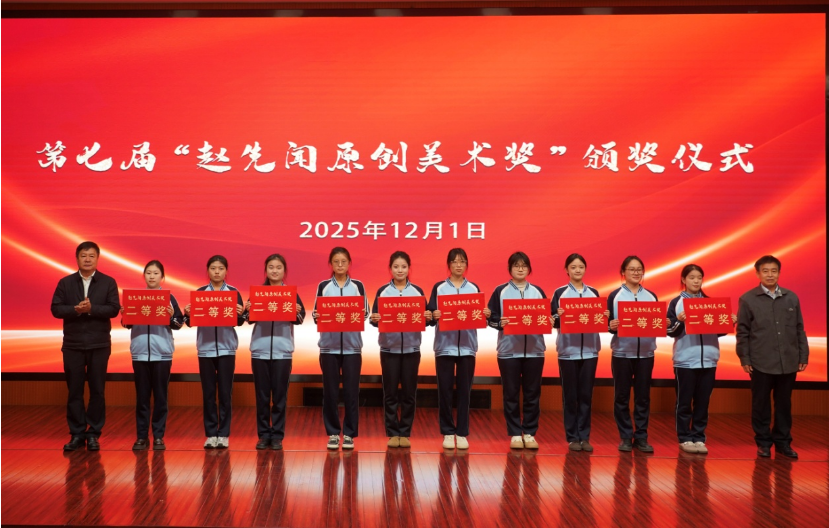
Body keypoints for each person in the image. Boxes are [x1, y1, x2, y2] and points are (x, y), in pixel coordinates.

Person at [736, 255, 808, 459]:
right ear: (757, 273)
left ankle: (783, 443)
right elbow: (742, 332)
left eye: (774, 271)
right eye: (765, 271)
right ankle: (763, 443)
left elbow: (799, 328)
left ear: (779, 273)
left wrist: (803, 355)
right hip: (760, 361)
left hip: (788, 360)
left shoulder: (791, 297)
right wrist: (745, 358)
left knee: (784, 404)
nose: (770, 275)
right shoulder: (748, 299)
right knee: (761, 405)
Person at [51, 241, 120, 451]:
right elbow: (56, 309)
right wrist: (76, 309)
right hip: (73, 344)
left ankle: (93, 434)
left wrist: (91, 309)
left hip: (99, 344)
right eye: (83, 255)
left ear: (97, 259)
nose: (87, 259)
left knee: (97, 390)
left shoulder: (108, 282)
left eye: (91, 256)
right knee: (75, 390)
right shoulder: (65, 282)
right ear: (77, 258)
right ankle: (77, 433)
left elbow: (114, 309)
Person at [666, 264, 736, 454]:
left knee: (703, 402)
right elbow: (669, 331)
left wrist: (729, 322)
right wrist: (680, 321)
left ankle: (699, 437)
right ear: (683, 280)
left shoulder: (710, 303)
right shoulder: (676, 303)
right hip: (685, 361)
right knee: (684, 402)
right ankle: (684, 438)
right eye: (692, 277)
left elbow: (718, 331)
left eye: (699, 278)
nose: (696, 281)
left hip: (709, 360)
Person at [427, 248, 491, 450]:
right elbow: (430, 316)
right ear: (448, 265)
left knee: (465, 392)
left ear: (466, 265)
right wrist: (434, 315)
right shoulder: (439, 288)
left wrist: (485, 314)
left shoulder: (473, 288)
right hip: (444, 347)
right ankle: (447, 431)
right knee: (445, 391)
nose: (458, 265)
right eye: (454, 261)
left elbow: (480, 317)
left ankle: (462, 432)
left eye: (462, 261)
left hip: (467, 348)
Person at [369, 251, 432, 448]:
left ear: (409, 269)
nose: (400, 270)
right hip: (389, 349)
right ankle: (391, 432)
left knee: (409, 393)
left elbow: (426, 319)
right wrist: (374, 319)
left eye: (403, 267)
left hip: (412, 349)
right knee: (390, 393)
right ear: (390, 269)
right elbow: (374, 318)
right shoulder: (382, 291)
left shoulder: (417, 291)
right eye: (396, 267)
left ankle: (405, 432)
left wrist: (428, 317)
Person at [183, 255, 245, 450]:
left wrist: (241, 313)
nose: (217, 272)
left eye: (220, 268)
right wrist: (187, 314)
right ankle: (211, 434)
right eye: (213, 268)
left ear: (226, 271)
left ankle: (224, 434)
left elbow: (240, 321)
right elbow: (190, 322)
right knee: (209, 394)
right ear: (207, 271)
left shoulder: (233, 292)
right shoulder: (200, 293)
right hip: (205, 350)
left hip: (227, 349)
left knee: (225, 393)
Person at [245, 254, 306, 450]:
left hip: (282, 352)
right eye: (271, 267)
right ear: (266, 270)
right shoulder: (257, 293)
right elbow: (247, 318)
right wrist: (248, 309)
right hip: (259, 351)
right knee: (262, 396)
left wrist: (296, 310)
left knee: (280, 396)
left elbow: (300, 318)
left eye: (279, 267)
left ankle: (278, 435)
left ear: (284, 271)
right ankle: (263, 435)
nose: (274, 271)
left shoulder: (290, 294)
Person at [121, 260, 184, 451]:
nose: (152, 276)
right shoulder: (135, 298)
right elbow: (126, 324)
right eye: (148, 273)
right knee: (142, 397)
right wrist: (125, 315)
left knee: (160, 397)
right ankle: (141, 436)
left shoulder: (169, 298)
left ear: (162, 277)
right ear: (144, 276)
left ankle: (158, 436)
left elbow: (179, 323)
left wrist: (171, 316)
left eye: (156, 273)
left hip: (162, 354)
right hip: (140, 353)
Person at [487, 251, 547, 450]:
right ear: (509, 269)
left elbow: (546, 317)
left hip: (534, 351)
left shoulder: (537, 291)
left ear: (529, 269)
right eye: (516, 266)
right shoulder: (500, 291)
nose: (520, 269)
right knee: (511, 393)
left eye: (524, 266)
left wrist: (550, 319)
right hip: (508, 351)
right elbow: (491, 318)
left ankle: (529, 433)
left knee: (532, 393)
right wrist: (499, 322)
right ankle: (514, 433)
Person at [312, 247, 369, 450]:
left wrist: (354, 312)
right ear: (331, 264)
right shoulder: (324, 286)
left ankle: (350, 434)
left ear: (349, 263)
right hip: (329, 348)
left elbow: (365, 313)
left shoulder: (358, 286)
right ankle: (333, 433)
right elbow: (316, 313)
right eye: (336, 262)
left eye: (343, 261)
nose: (340, 265)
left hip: (352, 348)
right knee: (330, 392)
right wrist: (318, 316)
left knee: (352, 392)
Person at [552, 253, 607, 452]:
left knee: (585, 395)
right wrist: (557, 316)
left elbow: (600, 320)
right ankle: (572, 437)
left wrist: (604, 316)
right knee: (570, 396)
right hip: (567, 351)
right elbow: (552, 321)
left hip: (590, 352)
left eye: (581, 267)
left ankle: (584, 436)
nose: (577, 270)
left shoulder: (593, 293)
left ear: (585, 269)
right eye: (573, 267)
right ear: (566, 270)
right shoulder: (560, 293)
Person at [607, 255, 659, 453]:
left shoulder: (651, 296)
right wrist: (611, 326)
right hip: (622, 353)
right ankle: (626, 436)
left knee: (643, 397)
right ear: (623, 273)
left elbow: (656, 323)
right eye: (632, 269)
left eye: (639, 270)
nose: (636, 273)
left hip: (646, 354)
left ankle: (642, 436)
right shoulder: (615, 296)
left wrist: (663, 323)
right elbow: (608, 324)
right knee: (621, 396)